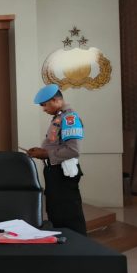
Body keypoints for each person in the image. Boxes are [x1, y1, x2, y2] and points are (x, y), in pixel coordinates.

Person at [27, 84, 87, 235]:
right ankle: (63, 242)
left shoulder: (70, 118)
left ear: (55, 100)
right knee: (56, 212)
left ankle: (77, 244)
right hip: (54, 171)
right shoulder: (59, 117)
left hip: (63, 174)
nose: (43, 109)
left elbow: (73, 150)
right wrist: (42, 151)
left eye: (44, 105)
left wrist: (46, 154)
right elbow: (56, 144)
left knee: (68, 215)